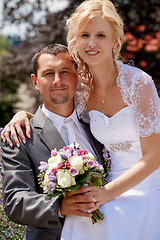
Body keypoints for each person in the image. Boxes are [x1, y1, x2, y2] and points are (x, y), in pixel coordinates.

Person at [2, 0, 160, 239]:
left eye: (100, 35)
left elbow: (155, 155)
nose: (92, 42)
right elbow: (54, 107)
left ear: (115, 40)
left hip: (144, 183)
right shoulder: (82, 90)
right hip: (102, 192)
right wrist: (23, 114)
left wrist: (106, 193)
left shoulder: (139, 84)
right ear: (76, 41)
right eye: (85, 34)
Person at [1, 43, 105, 240]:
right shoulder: (18, 135)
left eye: (65, 71)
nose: (58, 80)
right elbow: (15, 201)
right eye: (48, 73)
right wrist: (59, 206)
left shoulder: (97, 125)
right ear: (35, 81)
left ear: (76, 76)